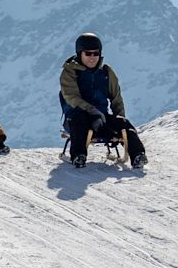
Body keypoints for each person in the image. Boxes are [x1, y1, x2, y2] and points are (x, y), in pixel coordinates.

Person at [58, 31, 145, 168]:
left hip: (101, 118)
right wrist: (92, 111)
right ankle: (78, 155)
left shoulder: (106, 72)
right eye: (88, 54)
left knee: (124, 124)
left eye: (96, 53)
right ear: (80, 53)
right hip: (76, 118)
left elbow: (116, 97)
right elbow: (71, 97)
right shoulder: (70, 72)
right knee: (79, 120)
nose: (92, 57)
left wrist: (119, 116)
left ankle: (138, 155)